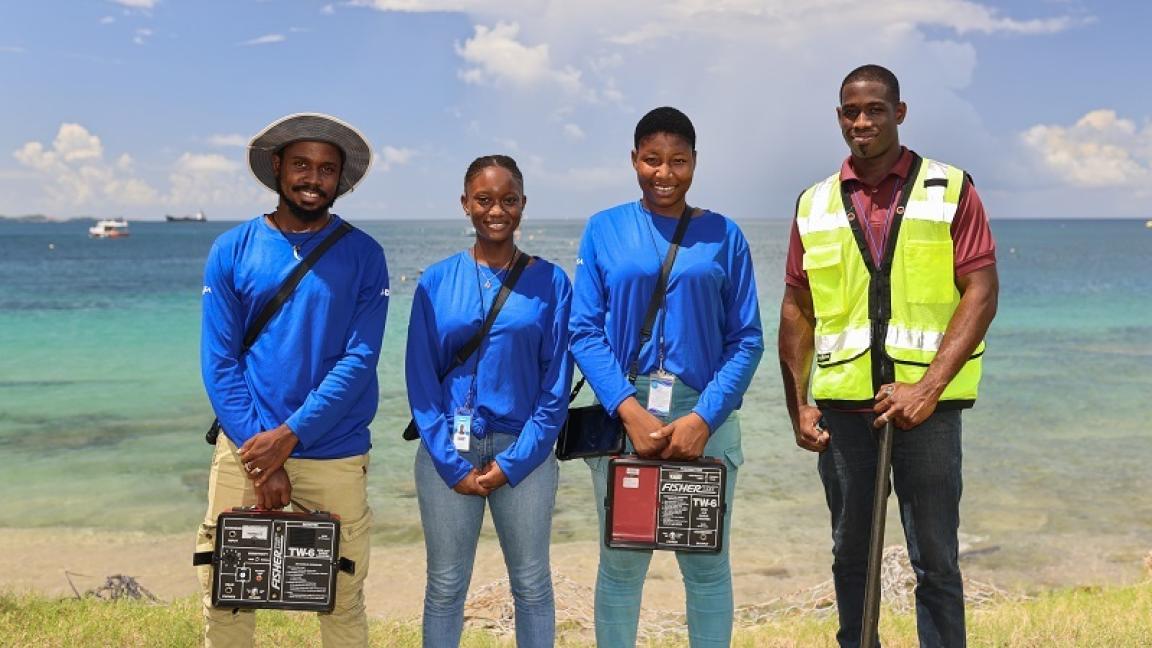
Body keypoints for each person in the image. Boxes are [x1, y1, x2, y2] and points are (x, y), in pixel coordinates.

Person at [778, 65, 999, 648]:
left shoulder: (950, 187)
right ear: (839, 118)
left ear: (899, 113)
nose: (863, 121)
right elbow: (797, 309)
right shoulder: (814, 203)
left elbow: (981, 292)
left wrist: (924, 391)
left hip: (928, 412)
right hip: (844, 409)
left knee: (936, 561)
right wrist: (796, 405)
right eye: (851, 111)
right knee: (850, 557)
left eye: (875, 109)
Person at [569, 107, 764, 647]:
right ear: (633, 160)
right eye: (652, 160)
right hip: (625, 415)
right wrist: (627, 410)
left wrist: (703, 417)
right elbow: (583, 330)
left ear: (695, 163)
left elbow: (747, 338)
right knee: (622, 566)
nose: (664, 173)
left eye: (678, 161)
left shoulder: (723, 234)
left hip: (707, 413)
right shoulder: (604, 228)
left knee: (705, 567)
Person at [195, 113, 388, 647]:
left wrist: (289, 437)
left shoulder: (365, 255)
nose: (313, 178)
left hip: (336, 453)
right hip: (244, 449)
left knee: (342, 602)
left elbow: (359, 359)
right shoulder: (231, 249)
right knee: (226, 597)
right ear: (277, 167)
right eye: (301, 164)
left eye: (327, 169)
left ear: (340, 179)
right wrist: (261, 454)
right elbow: (220, 362)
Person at [406, 155, 573, 647]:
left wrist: (515, 462)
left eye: (508, 200)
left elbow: (555, 387)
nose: (496, 210)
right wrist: (449, 463)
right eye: (484, 199)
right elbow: (420, 380)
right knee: (444, 587)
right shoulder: (436, 282)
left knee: (532, 585)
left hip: (526, 453)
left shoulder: (552, 282)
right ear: (465, 204)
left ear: (522, 205)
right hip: (449, 452)